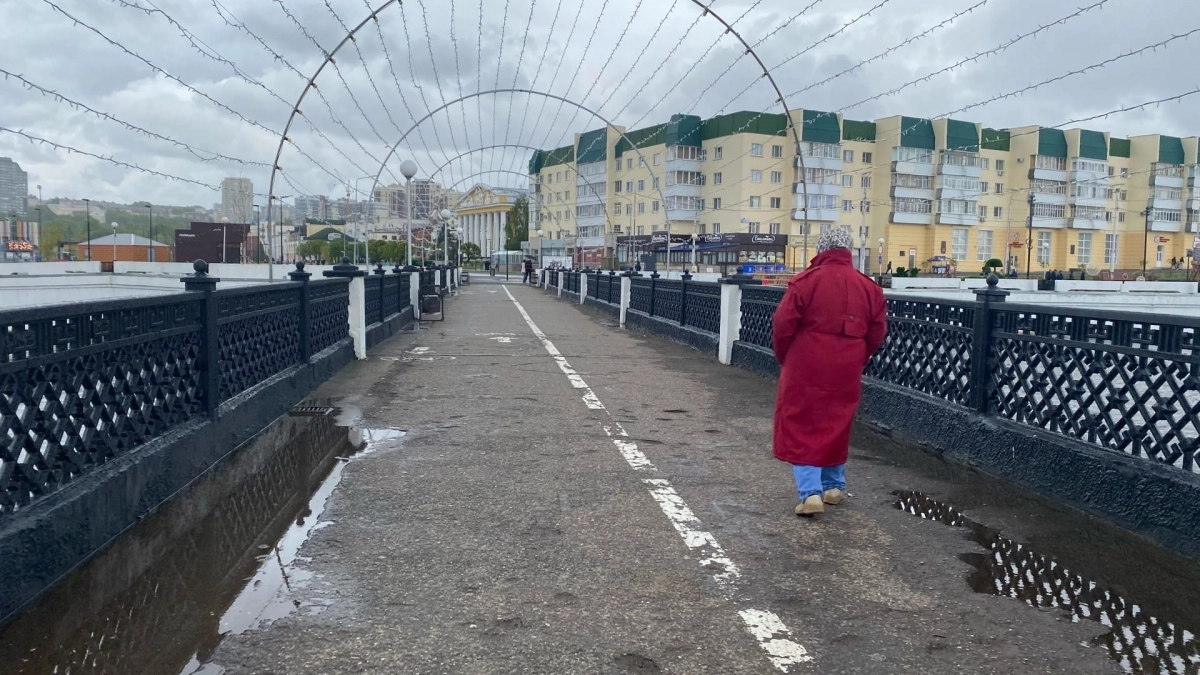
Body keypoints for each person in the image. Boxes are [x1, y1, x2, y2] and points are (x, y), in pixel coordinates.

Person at [771, 229, 887, 517]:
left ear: (821, 249)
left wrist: (787, 357)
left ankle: (810, 493)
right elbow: (877, 332)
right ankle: (834, 487)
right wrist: (858, 355)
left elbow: (782, 325)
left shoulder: (805, 283)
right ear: (848, 251)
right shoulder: (869, 287)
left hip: (806, 361)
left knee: (802, 421)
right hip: (847, 365)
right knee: (837, 420)